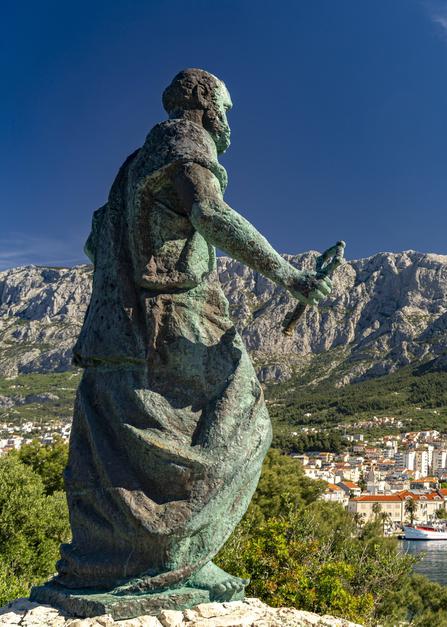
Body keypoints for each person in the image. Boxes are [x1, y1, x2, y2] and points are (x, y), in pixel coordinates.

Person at [56, 68, 332, 601]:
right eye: (225, 110)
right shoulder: (185, 140)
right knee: (245, 420)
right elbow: (210, 211)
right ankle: (182, 558)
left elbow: (94, 246)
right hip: (176, 319)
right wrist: (290, 276)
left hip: (115, 329)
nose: (228, 123)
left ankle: (130, 562)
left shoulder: (130, 168)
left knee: (128, 448)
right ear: (206, 105)